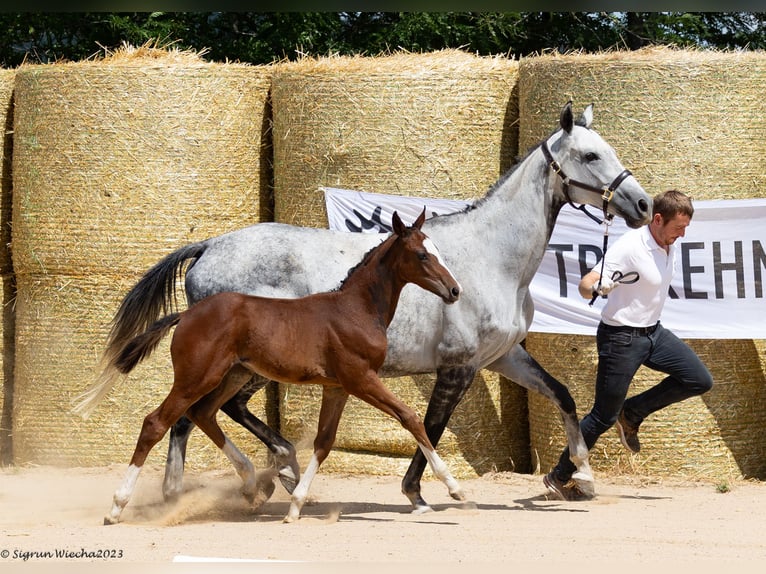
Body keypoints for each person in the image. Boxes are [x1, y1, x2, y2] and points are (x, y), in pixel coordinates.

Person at [544, 189, 714, 501]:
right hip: (621, 338)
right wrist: (598, 285)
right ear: (658, 219)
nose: (683, 234)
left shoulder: (667, 242)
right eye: (679, 227)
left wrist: (674, 236)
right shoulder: (630, 246)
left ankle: (633, 412)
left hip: (653, 334)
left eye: (686, 227)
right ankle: (559, 475)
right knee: (601, 417)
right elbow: (585, 286)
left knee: (698, 379)